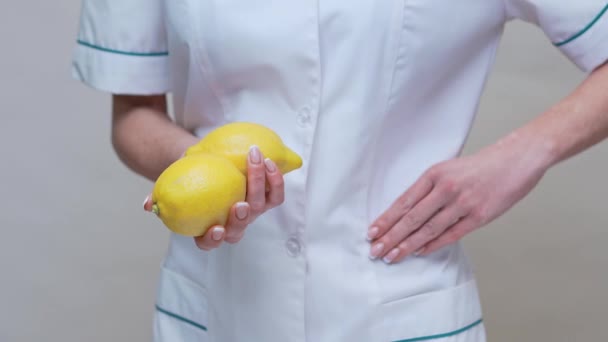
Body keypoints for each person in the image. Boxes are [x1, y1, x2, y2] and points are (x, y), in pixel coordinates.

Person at [71, 1, 608, 341]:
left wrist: (523, 154)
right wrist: (200, 171)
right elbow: (134, 113)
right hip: (218, 306)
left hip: (398, 301)